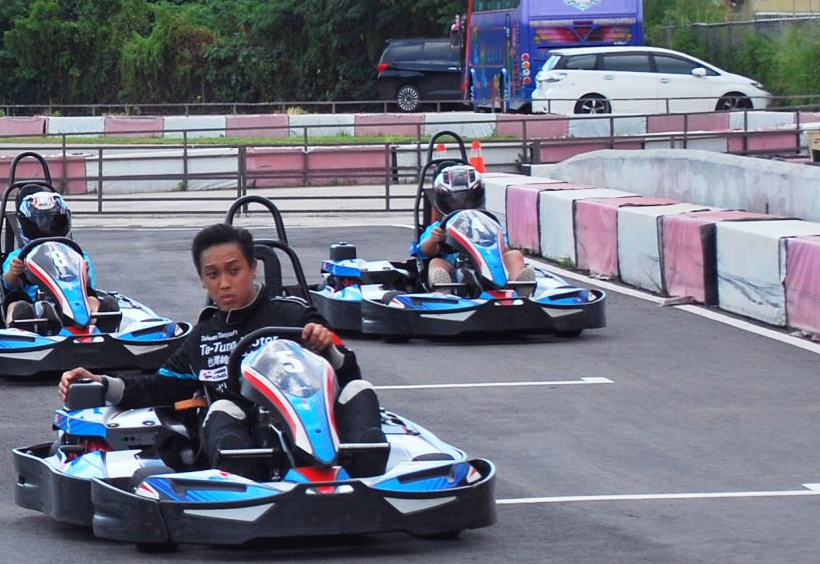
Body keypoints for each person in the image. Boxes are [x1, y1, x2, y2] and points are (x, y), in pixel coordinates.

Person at [59, 222, 386, 476]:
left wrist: (326, 348)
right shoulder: (204, 337)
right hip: (250, 439)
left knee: (359, 389)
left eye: (234, 270)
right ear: (203, 279)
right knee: (223, 408)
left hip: (313, 422)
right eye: (213, 275)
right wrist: (101, 382)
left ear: (253, 268)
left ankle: (367, 468)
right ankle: (239, 477)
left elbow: (347, 372)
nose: (225, 283)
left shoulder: (294, 315)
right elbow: (159, 387)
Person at [412, 162, 528, 290]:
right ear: (443, 202)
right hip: (454, 269)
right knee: (436, 263)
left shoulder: (489, 224)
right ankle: (443, 291)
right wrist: (435, 240)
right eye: (454, 202)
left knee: (514, 255)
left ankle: (519, 285)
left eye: (468, 200)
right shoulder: (438, 228)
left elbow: (505, 249)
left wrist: (493, 241)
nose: (462, 206)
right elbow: (424, 252)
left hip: (490, 264)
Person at [0, 189, 78, 325]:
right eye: (40, 220)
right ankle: (18, 329)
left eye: (53, 221)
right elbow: (9, 285)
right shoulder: (17, 256)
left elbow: (88, 285)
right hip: (31, 305)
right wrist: (14, 272)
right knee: (15, 304)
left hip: (71, 301)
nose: (46, 226)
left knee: (91, 298)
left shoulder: (74, 255)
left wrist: (84, 272)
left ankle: (102, 321)